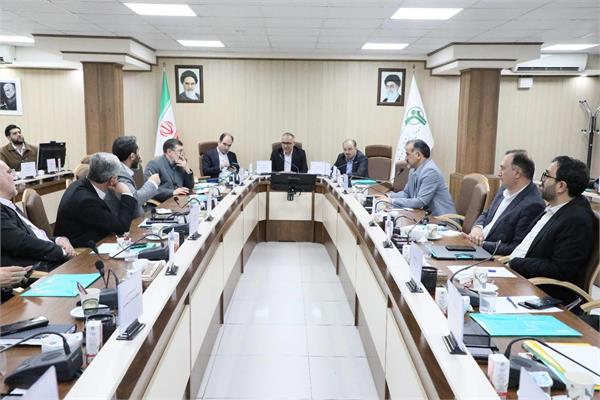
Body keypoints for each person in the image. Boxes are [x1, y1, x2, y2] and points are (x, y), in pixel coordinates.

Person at [509, 156, 595, 304]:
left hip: (544, 294)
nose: (542, 180)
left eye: (546, 175)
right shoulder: (553, 208)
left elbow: (561, 269)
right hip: (520, 278)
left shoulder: (576, 220)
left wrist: (515, 263)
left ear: (561, 186)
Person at [465, 150, 545, 255]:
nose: (499, 174)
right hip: (474, 246)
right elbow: (487, 213)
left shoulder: (533, 205)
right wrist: (477, 228)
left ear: (517, 173)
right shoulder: (504, 188)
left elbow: (516, 247)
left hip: (490, 256)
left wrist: (481, 244)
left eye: (502, 168)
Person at [0, 160, 75, 267]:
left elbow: (33, 237)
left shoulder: (8, 205)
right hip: (40, 269)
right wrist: (62, 252)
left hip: (48, 259)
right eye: (9, 172)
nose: (14, 177)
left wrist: (57, 240)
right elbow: (21, 243)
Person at [54, 153, 138, 247]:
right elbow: (121, 227)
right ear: (112, 179)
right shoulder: (87, 201)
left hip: (91, 239)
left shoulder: (80, 184)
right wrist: (127, 193)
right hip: (79, 251)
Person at [385, 139, 455, 216]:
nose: (405, 158)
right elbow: (406, 194)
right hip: (424, 216)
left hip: (442, 219)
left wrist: (391, 201)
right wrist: (387, 196)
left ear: (418, 155)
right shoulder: (413, 170)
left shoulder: (430, 171)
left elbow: (420, 202)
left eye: (407, 154)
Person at [106, 136, 161, 218]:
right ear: (132, 156)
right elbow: (133, 201)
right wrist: (152, 183)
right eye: (138, 153)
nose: (141, 157)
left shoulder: (119, 170)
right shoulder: (119, 175)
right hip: (130, 223)